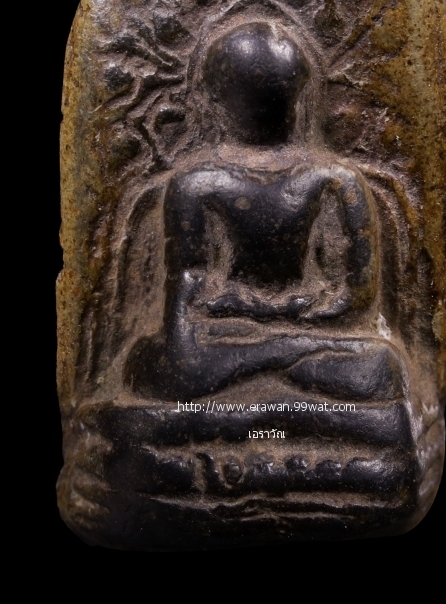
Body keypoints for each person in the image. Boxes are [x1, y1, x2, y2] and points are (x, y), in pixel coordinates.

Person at [126, 22, 403, 404]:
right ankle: (284, 372)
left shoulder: (332, 181)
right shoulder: (196, 184)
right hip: (248, 332)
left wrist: (284, 314)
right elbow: (188, 297)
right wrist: (266, 315)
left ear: (213, 99)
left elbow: (356, 298)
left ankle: (255, 378)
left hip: (279, 333)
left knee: (381, 363)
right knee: (375, 367)